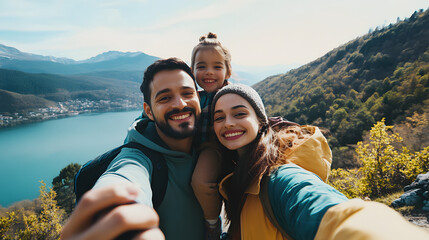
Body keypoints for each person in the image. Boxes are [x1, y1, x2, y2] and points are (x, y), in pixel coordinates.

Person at [210, 83, 429, 240]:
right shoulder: (237, 180)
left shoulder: (280, 178)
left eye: (239, 114)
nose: (228, 123)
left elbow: (335, 217)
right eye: (219, 117)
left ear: (261, 121)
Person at [61, 57, 204, 240]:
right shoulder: (138, 158)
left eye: (187, 93)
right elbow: (124, 177)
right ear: (149, 111)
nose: (180, 104)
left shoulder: (214, 142)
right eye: (165, 98)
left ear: (198, 99)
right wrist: (111, 213)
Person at [189, 32, 232, 239]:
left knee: (201, 182)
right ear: (192, 71)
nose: (209, 72)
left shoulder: (230, 94)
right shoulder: (193, 97)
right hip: (196, 148)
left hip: (216, 147)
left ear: (227, 71)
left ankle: (213, 224)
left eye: (217, 66)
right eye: (201, 66)